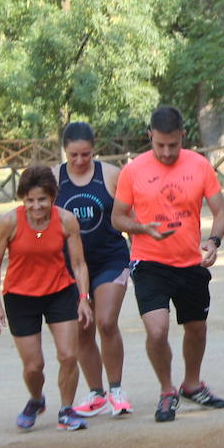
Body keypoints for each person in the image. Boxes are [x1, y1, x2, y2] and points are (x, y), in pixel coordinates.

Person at [112, 106, 224, 419]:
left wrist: (213, 242)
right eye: (159, 145)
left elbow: (220, 212)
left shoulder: (200, 165)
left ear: (183, 136)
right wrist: (141, 228)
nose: (166, 152)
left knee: (196, 327)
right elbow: (117, 218)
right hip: (149, 262)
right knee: (157, 331)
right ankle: (167, 391)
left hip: (190, 262)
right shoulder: (133, 171)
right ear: (150, 136)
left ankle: (191, 384)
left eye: (173, 145)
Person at [0, 165, 94, 431]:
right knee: (34, 366)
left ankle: (66, 410)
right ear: (23, 199)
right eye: (30, 200)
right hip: (20, 297)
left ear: (53, 198)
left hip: (59, 292)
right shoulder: (9, 223)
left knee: (69, 356)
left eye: (42, 200)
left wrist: (83, 298)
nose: (36, 206)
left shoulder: (66, 220)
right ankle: (36, 399)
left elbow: (79, 264)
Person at [57, 122, 133, 418]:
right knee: (82, 330)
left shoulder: (112, 175)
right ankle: (96, 394)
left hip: (110, 259)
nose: (79, 161)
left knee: (106, 321)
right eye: (73, 155)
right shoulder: (54, 180)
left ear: (94, 149)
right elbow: (42, 224)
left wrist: (139, 255)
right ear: (65, 151)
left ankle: (116, 389)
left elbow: (130, 218)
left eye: (85, 154)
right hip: (71, 267)